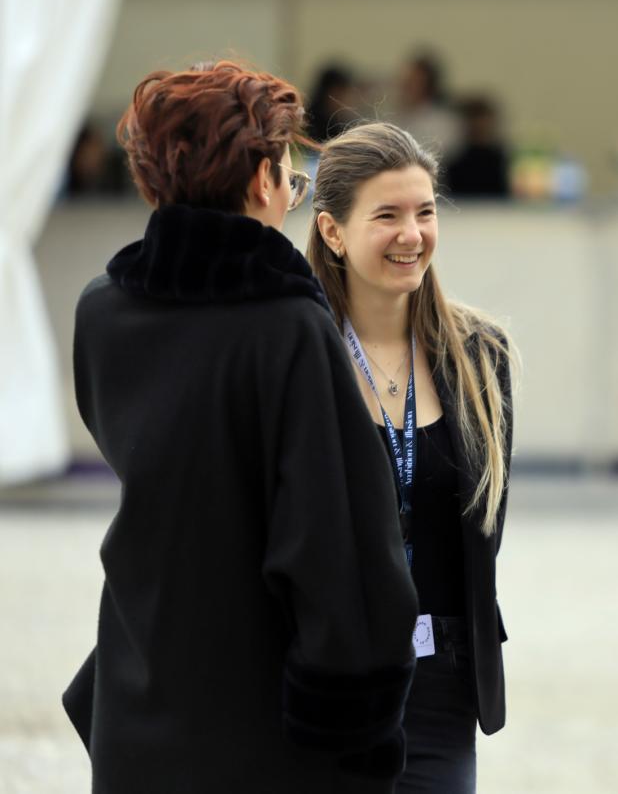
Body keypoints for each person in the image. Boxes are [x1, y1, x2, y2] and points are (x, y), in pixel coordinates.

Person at [63, 61, 420, 793]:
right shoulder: (286, 328)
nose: (291, 191)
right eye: (289, 172)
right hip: (257, 719)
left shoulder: (102, 310)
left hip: (136, 683)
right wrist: (360, 728)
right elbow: (335, 541)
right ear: (261, 180)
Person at [307, 122, 515, 794]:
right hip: (323, 685)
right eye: (387, 216)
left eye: (425, 212)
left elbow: (482, 534)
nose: (412, 234)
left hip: (441, 686)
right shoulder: (298, 357)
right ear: (333, 231)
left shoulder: (480, 353)